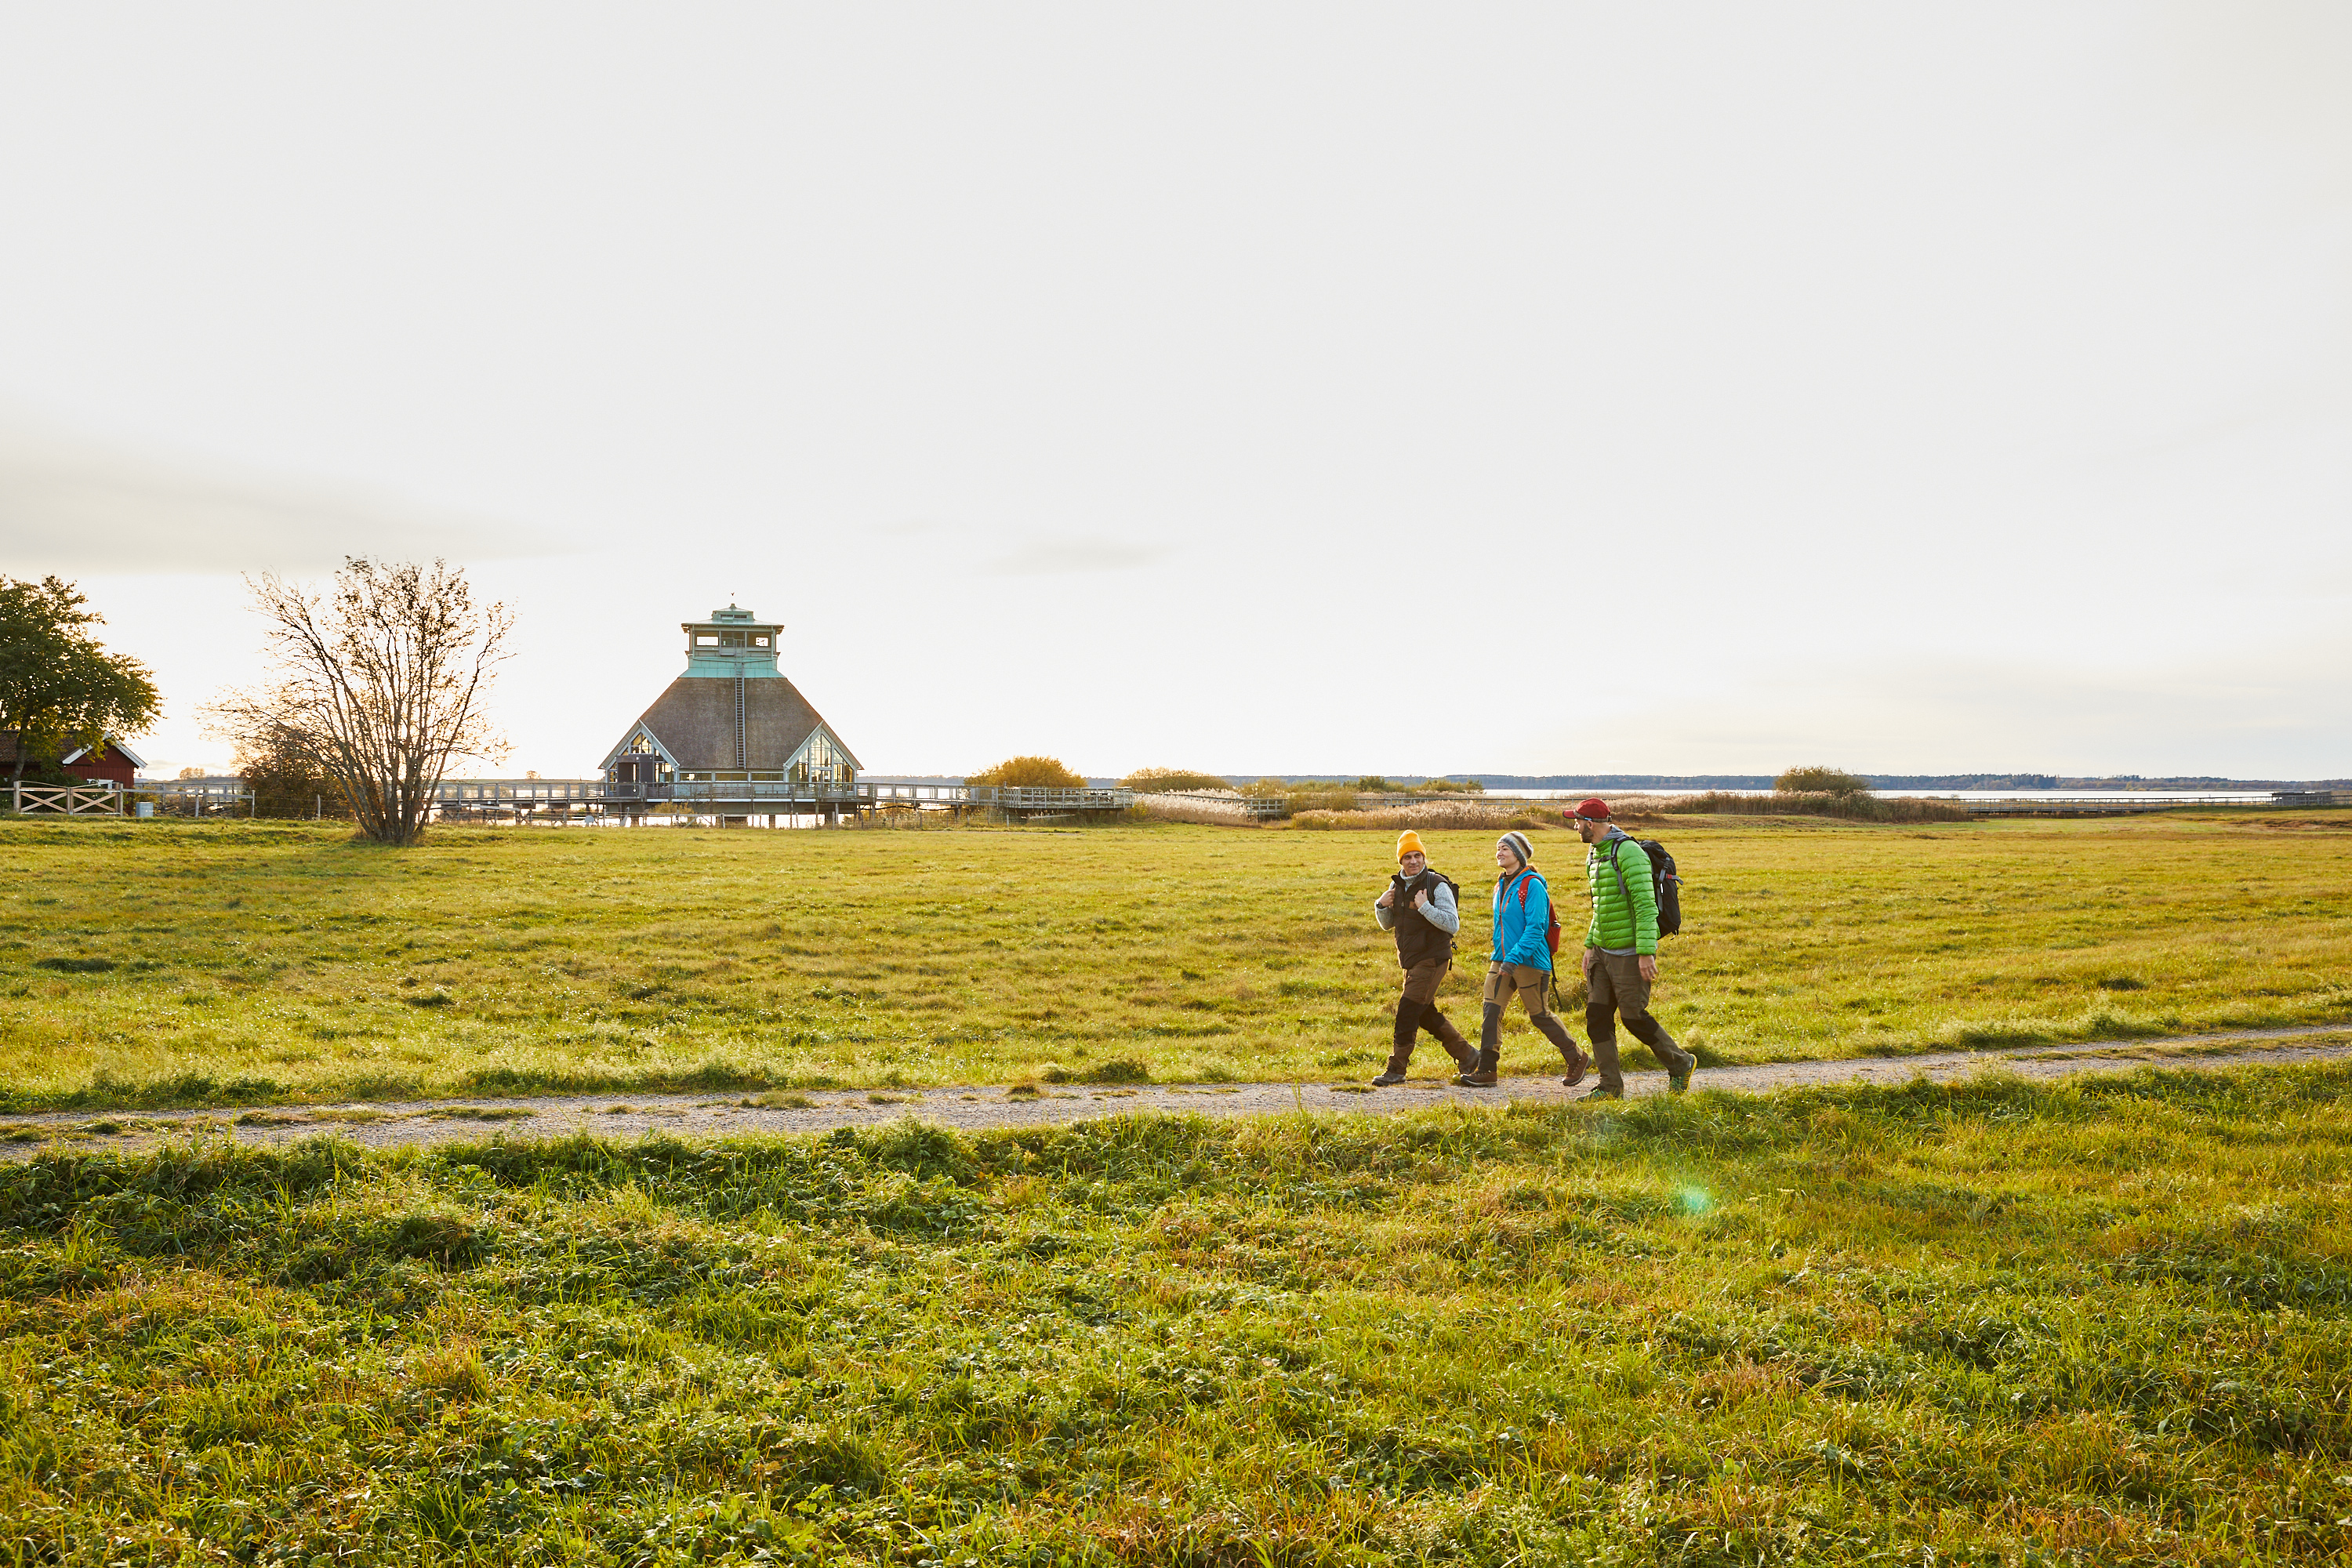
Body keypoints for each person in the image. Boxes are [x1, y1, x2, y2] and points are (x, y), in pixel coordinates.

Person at [1569, 797, 1697, 1096]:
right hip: (1602, 949)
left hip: (1629, 951)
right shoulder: (1594, 854)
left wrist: (1645, 953)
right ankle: (1610, 1086)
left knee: (1633, 1017)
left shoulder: (1628, 853)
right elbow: (1601, 906)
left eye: (1577, 821)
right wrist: (1590, 945)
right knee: (1597, 1018)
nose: (1574, 826)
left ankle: (1680, 1063)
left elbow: (1645, 907)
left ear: (1590, 823)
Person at [1461, 830, 1590, 1088]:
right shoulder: (1500, 885)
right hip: (1502, 959)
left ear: (1518, 855)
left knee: (1539, 1015)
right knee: (1491, 1009)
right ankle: (1487, 1069)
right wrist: (1500, 955)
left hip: (1530, 961)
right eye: (1498, 848)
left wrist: (1514, 958)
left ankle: (1577, 1058)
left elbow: (1535, 929)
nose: (1499, 853)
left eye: (1505, 849)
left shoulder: (1532, 886)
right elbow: (1501, 926)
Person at [1371, 830, 1475, 1083]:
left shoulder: (1436, 884)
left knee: (1407, 1011)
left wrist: (1425, 907)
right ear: (1400, 861)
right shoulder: (1396, 886)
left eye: (1417, 855)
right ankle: (1470, 1057)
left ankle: (1396, 1069)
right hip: (1410, 962)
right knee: (1425, 1014)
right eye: (1407, 857)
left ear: (1424, 857)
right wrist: (1381, 905)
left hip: (1433, 958)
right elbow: (1387, 924)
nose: (1413, 861)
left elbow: (1452, 924)